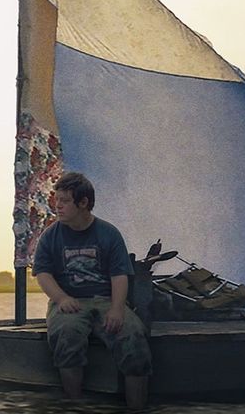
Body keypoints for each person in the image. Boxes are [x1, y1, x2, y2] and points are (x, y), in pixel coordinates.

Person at [32, 172, 152, 410]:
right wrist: (61, 298)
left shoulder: (108, 234)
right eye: (57, 200)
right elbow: (43, 274)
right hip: (68, 301)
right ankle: (75, 406)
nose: (58, 206)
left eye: (65, 201)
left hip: (106, 299)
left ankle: (137, 408)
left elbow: (119, 275)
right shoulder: (50, 236)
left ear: (83, 203)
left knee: (133, 336)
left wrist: (118, 309)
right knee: (66, 334)